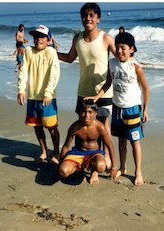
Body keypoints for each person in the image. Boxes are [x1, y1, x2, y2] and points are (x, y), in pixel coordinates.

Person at [86, 32, 150, 186]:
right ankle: (123, 167)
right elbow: (108, 82)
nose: (120, 51)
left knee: (134, 142)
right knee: (121, 141)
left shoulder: (136, 68)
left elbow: (146, 89)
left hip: (132, 109)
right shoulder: (112, 63)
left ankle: (138, 172)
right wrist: (96, 97)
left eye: (124, 48)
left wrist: (145, 110)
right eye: (118, 47)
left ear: (132, 49)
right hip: (117, 109)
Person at [57, 2, 116, 163]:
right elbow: (69, 58)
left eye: (91, 15)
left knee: (102, 126)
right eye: (85, 15)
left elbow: (121, 59)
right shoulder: (77, 38)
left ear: (98, 19)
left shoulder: (106, 38)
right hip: (83, 90)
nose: (87, 18)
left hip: (103, 91)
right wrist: (51, 52)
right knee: (84, 125)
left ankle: (105, 156)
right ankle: (83, 156)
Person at [17, 25, 61, 164]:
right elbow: (23, 71)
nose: (38, 40)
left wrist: (48, 92)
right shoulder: (29, 51)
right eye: (36, 37)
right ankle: (44, 151)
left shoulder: (51, 52)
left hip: (48, 97)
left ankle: (56, 152)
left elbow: (55, 74)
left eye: (42, 37)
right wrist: (21, 90)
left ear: (48, 39)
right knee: (37, 126)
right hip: (33, 97)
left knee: (52, 127)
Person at [59, 99, 117, 185]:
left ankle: (94, 171)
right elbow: (66, 146)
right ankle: (80, 169)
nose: (87, 115)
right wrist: (60, 165)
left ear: (95, 113)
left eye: (90, 112)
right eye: (84, 112)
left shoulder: (100, 127)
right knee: (63, 171)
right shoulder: (75, 127)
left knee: (101, 166)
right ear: (79, 113)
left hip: (94, 153)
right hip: (77, 153)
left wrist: (114, 167)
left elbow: (110, 146)